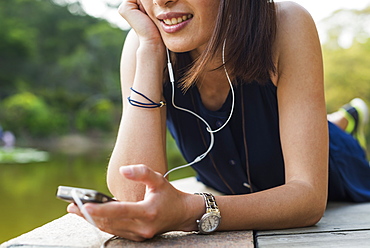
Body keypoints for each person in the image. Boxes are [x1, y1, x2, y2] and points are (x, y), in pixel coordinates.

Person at [68, 0, 370, 242]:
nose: (162, 1)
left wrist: (190, 211)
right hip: (224, 176)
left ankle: (343, 121)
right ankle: (338, 119)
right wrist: (148, 51)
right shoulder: (144, 44)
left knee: (331, 138)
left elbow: (308, 198)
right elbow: (134, 196)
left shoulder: (285, 23)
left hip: (336, 163)